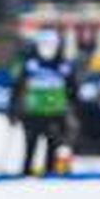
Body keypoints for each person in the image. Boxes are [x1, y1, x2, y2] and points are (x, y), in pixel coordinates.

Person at [15, 29, 73, 176]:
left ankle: (51, 170)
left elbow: (72, 88)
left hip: (56, 112)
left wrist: (72, 105)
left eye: (51, 45)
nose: (47, 48)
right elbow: (18, 86)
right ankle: (26, 170)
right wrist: (14, 107)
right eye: (44, 44)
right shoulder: (30, 65)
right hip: (33, 111)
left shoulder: (63, 66)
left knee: (53, 143)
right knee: (31, 142)